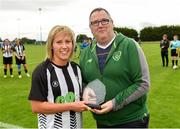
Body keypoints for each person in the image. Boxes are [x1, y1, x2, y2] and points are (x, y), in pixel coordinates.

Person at [80, 7, 150, 128]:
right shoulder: (85, 53)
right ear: (90, 28)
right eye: (95, 22)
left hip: (131, 120)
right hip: (102, 121)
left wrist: (114, 103)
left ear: (112, 23)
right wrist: (89, 97)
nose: (100, 25)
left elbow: (143, 83)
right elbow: (84, 83)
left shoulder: (129, 45)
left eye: (104, 20)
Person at [28, 25, 89, 129]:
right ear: (51, 45)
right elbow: (36, 107)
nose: (64, 46)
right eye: (59, 42)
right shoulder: (42, 71)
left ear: (73, 44)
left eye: (68, 42)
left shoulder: (76, 69)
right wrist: (72, 106)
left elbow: (82, 96)